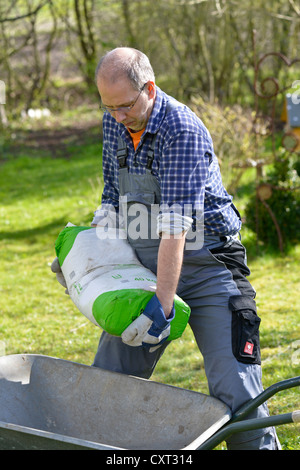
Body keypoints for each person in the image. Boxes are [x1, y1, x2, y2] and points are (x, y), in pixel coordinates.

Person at [52, 47, 280, 450]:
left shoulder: (180, 129)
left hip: (209, 267)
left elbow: (176, 228)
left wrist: (163, 302)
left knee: (237, 395)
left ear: (150, 89)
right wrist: (87, 259)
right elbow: (111, 201)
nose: (118, 118)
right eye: (109, 108)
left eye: (124, 106)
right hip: (146, 266)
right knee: (107, 382)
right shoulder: (116, 122)